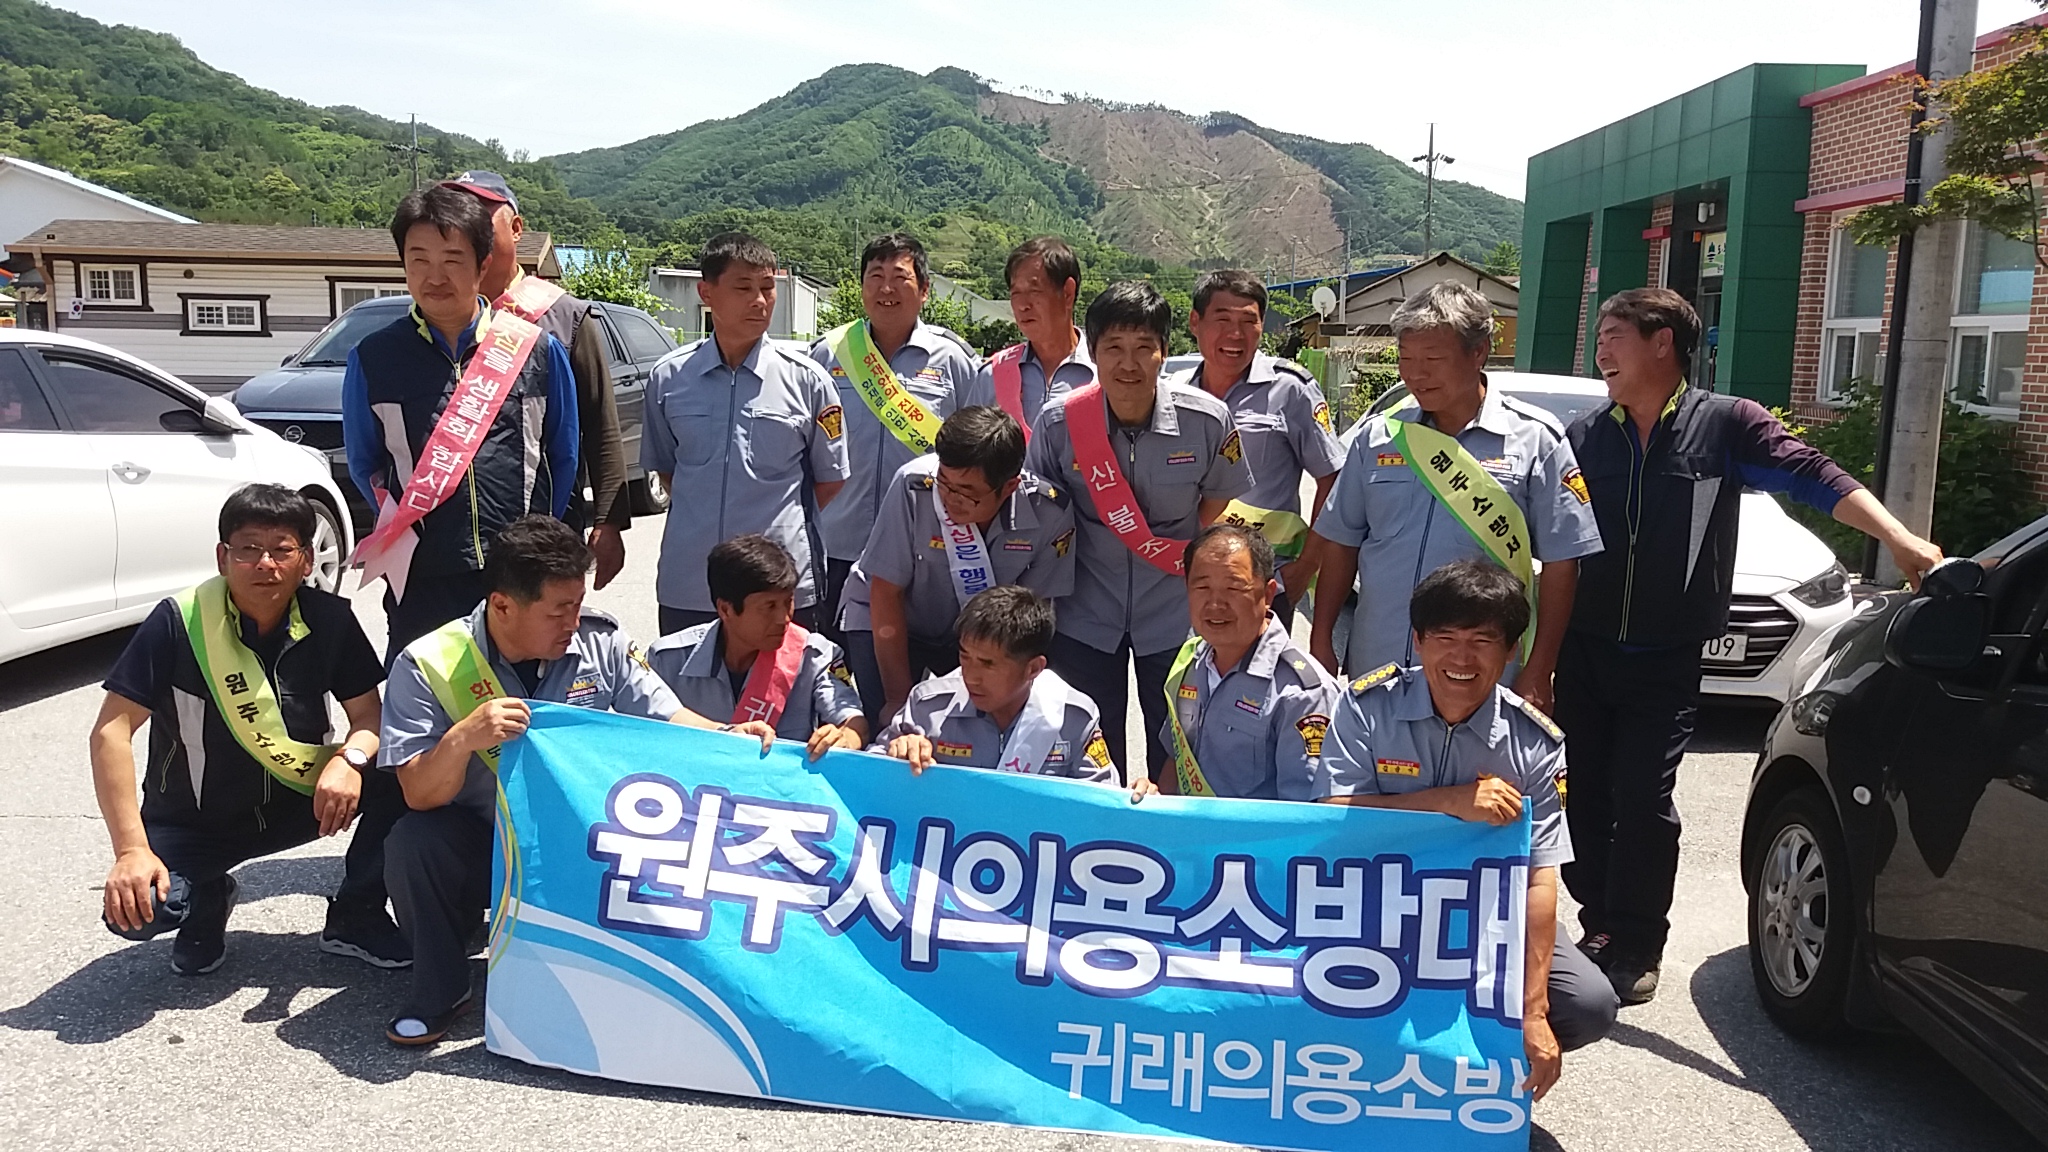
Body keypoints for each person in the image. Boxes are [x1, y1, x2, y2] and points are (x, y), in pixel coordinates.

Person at [1558, 287, 1943, 1006]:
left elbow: (1816, 477)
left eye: (1613, 335)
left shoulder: (1727, 426)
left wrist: (1898, 538)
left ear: (1662, 342)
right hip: (1581, 650)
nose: (1600, 350)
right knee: (1581, 795)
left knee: (1643, 800)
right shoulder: (1585, 436)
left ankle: (1637, 939)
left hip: (1665, 659)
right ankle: (1599, 924)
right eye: (1600, 337)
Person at [378, 516, 773, 1047]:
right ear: (502, 606)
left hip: (585, 837)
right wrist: (463, 738)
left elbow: (668, 719)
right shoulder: (429, 664)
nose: (572, 620)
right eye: (558, 610)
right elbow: (419, 792)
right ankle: (440, 988)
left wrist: (728, 735)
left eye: (578, 604)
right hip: (489, 840)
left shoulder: (599, 641)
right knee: (413, 843)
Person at [1316, 559, 1618, 1102]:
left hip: (1485, 917)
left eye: (1482, 641)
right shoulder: (1366, 708)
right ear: (1417, 641)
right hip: (1373, 905)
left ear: (1511, 651)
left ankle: (1478, 1081)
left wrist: (1533, 1011)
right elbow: (1333, 818)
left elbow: (1540, 878)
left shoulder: (1536, 743)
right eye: (1445, 638)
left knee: (1587, 1003)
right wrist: (1449, 802)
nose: (1461, 658)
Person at [91, 484, 406, 975]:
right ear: (222, 557)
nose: (265, 564)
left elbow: (370, 718)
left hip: (300, 801)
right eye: (249, 549)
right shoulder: (178, 622)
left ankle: (356, 913)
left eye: (282, 550)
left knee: (406, 773)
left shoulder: (330, 620)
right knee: (140, 909)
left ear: (306, 560)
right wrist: (131, 850)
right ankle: (207, 896)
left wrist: (351, 760)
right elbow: (111, 731)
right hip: (197, 821)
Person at [1309, 280, 1600, 715]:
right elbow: (1341, 542)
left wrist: (1540, 668)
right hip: (1380, 665)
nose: (1415, 374)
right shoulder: (1380, 436)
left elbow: (1563, 562)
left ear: (1478, 352)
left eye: (1432, 360)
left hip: (1479, 674)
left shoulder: (1535, 440)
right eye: (1406, 359)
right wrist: (1320, 639)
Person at [342, 184, 579, 663]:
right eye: (419, 260)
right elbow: (366, 464)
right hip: (423, 576)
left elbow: (563, 456)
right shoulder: (374, 358)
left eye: (452, 259)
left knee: (521, 696)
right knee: (427, 696)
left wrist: (536, 538)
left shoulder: (536, 350)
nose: (435, 276)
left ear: (483, 264)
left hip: (518, 574)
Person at [1025, 281, 1252, 780]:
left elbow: (1215, 501)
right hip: (1084, 612)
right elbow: (1043, 513)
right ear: (1093, 352)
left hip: (1174, 616)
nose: (1128, 364)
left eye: (1143, 347)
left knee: (1177, 749)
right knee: (1086, 748)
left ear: (1164, 352)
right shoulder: (1059, 424)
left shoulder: (1206, 420)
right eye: (1114, 348)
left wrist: (1168, 555)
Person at [644, 231, 848, 635]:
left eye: (767, 288)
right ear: (706, 292)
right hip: (691, 584)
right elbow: (668, 471)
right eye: (743, 288)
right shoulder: (669, 378)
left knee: (785, 678)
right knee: (689, 677)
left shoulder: (809, 381)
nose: (759, 300)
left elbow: (830, 479)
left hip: (779, 588)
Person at [443, 171, 631, 589]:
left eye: (480, 220)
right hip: (447, 545)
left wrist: (608, 520)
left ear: (516, 228)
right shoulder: (433, 318)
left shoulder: (564, 317)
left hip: (544, 532)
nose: (466, 232)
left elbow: (599, 422)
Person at [840, 405, 1076, 728]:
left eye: (967, 493)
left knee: (977, 728)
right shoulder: (913, 485)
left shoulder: (1050, 511)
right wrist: (897, 699)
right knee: (887, 724)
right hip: (890, 621)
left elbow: (1029, 618)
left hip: (979, 638)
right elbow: (885, 591)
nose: (950, 499)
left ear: (1009, 487)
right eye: (945, 483)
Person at [810, 233, 985, 639]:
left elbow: (975, 448)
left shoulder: (953, 360)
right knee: (830, 663)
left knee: (916, 664)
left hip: (925, 550)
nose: (886, 289)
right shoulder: (828, 354)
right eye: (875, 276)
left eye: (900, 277)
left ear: (924, 290)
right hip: (836, 546)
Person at [1178, 270, 1346, 629]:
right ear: (1195, 322)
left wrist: (1306, 567)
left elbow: (1332, 478)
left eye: (1248, 321)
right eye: (1222, 320)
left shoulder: (1291, 389)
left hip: (1262, 584)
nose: (1235, 335)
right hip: (1185, 579)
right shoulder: (1176, 393)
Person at [1146, 524, 1338, 801]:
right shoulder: (1191, 661)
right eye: (1202, 587)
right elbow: (1177, 759)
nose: (1215, 604)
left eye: (1234, 587)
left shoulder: (1303, 693)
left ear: (1268, 594)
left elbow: (1305, 810)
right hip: (1188, 825)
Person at [648, 534, 867, 757]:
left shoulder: (815, 656)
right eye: (769, 606)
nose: (784, 618)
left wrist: (846, 737)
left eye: (788, 602)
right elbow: (643, 733)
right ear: (726, 609)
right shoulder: (667, 661)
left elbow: (853, 720)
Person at [875, 586, 1115, 783]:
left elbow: (1104, 801)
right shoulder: (928, 707)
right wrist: (895, 753)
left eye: (987, 664)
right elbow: (866, 771)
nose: (971, 676)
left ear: (1033, 668)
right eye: (964, 656)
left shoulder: (1073, 718)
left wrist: (1135, 797)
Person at [976, 236, 1093, 430]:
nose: (1023, 305)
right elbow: (968, 445)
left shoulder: (1104, 370)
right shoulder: (993, 375)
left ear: (1067, 293)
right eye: (1016, 293)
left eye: (1034, 290)